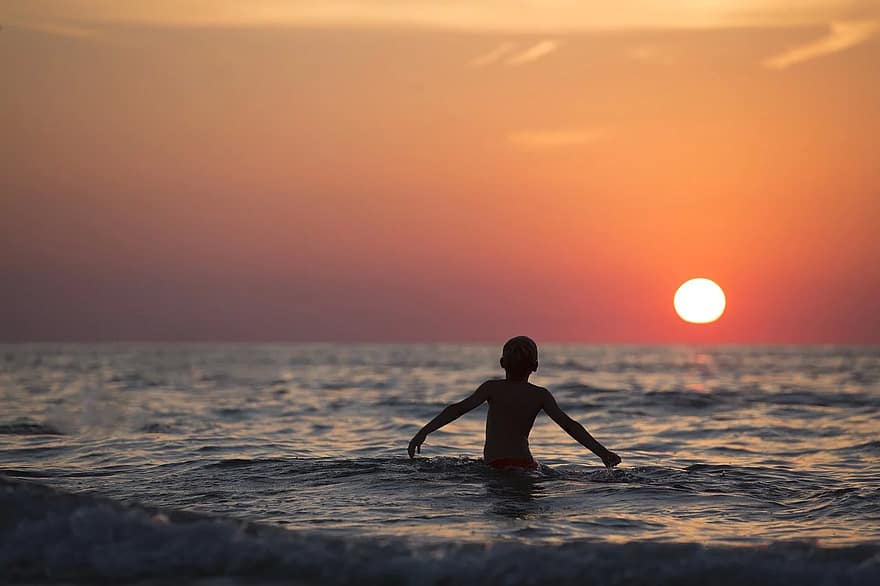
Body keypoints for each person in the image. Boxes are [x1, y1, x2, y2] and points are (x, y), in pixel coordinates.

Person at [407, 336, 621, 470]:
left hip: (496, 465)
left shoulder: (492, 388)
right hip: (526, 465)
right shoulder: (540, 395)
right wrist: (603, 453)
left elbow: (457, 410)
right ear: (535, 366)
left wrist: (423, 432)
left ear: (502, 363)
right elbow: (570, 425)